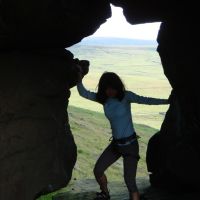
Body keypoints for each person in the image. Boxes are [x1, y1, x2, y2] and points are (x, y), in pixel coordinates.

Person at [76, 70, 169, 200]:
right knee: (98, 170)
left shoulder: (126, 96)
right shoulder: (104, 99)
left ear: (118, 87)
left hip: (130, 146)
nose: (110, 91)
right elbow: (84, 93)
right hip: (116, 145)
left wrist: (168, 101)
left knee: (130, 182)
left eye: (113, 88)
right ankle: (105, 193)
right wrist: (79, 79)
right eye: (107, 88)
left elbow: (146, 100)